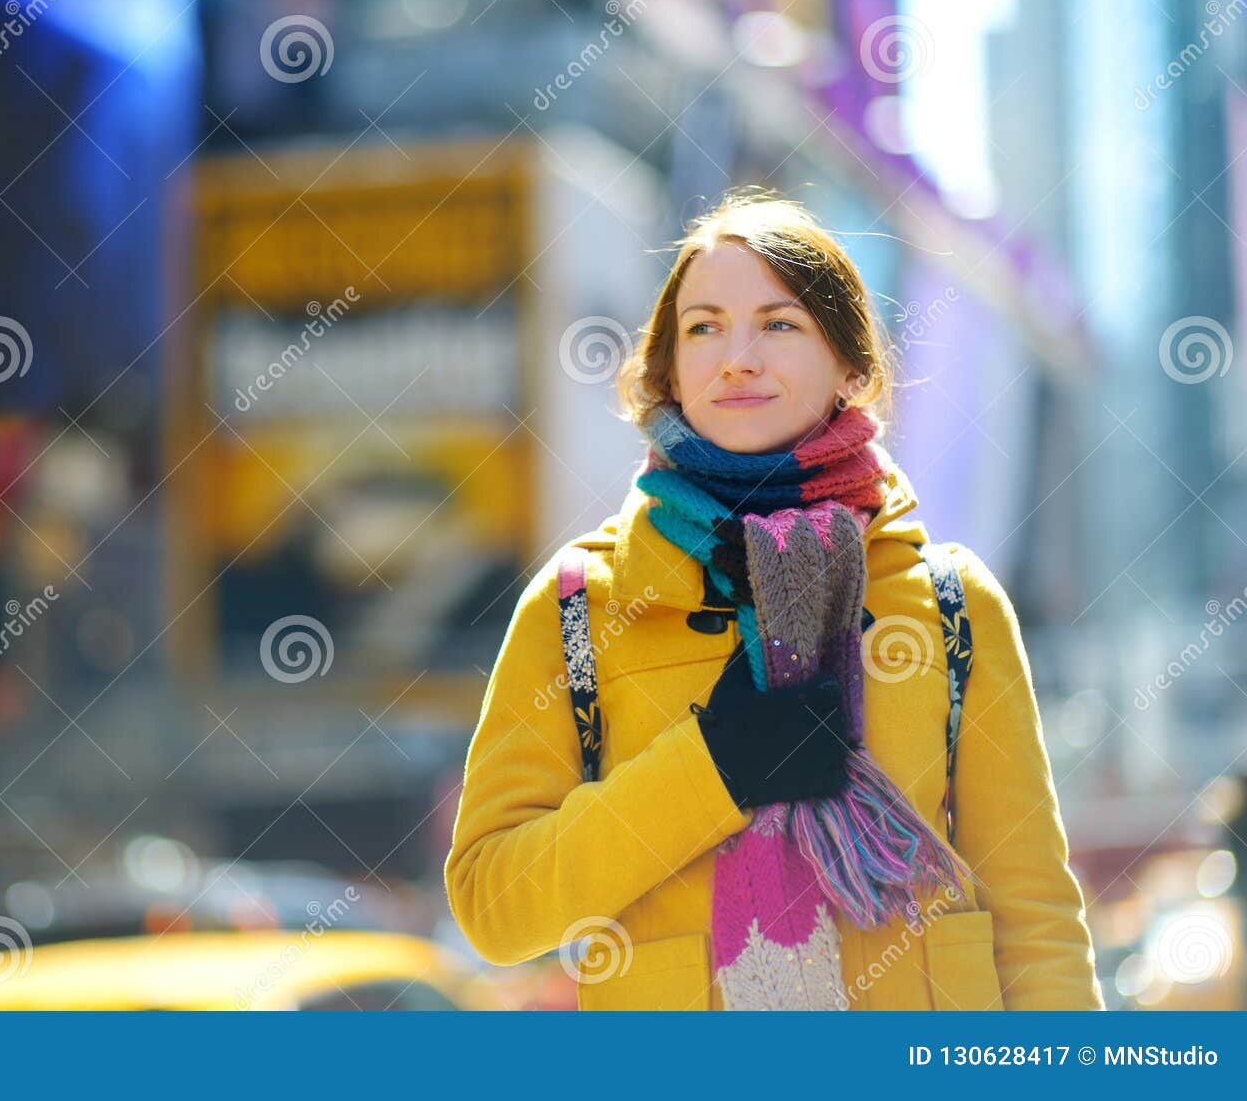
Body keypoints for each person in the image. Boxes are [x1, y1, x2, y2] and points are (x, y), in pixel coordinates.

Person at [443, 189, 1104, 1011]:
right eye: (704, 326)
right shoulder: (580, 606)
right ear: (669, 371)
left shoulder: (949, 603)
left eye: (779, 324)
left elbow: (1034, 917)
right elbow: (495, 908)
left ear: (851, 364)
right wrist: (711, 768)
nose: (737, 357)